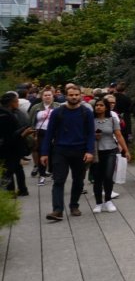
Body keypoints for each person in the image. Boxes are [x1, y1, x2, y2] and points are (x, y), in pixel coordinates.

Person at [41, 84, 95, 221]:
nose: (74, 97)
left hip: (80, 151)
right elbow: (49, 134)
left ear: (80, 96)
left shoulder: (86, 112)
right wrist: (44, 152)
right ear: (66, 96)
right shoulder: (58, 112)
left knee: (78, 180)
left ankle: (74, 205)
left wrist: (90, 151)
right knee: (58, 181)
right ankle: (57, 210)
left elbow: (90, 134)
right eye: (71, 95)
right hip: (60, 150)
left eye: (76, 95)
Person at [89, 98, 129, 213]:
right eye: (97, 105)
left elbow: (119, 135)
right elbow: (84, 135)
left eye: (101, 105)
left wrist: (126, 150)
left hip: (110, 150)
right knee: (97, 178)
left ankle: (108, 200)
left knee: (108, 176)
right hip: (96, 152)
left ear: (106, 107)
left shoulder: (111, 120)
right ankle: (98, 203)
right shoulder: (90, 120)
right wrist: (93, 136)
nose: (98, 107)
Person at [1, 91, 33, 197]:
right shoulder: (6, 115)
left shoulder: (14, 112)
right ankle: (10, 192)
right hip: (8, 148)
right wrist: (24, 133)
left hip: (12, 147)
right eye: (16, 101)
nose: (18, 103)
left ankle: (21, 190)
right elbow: (9, 136)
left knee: (16, 168)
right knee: (9, 170)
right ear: (12, 102)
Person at [28, 86, 58, 184]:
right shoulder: (36, 107)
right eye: (45, 95)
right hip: (40, 132)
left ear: (53, 96)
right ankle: (42, 174)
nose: (47, 97)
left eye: (49, 95)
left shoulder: (58, 106)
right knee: (42, 153)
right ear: (42, 97)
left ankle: (53, 172)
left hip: (55, 133)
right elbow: (31, 120)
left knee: (54, 153)